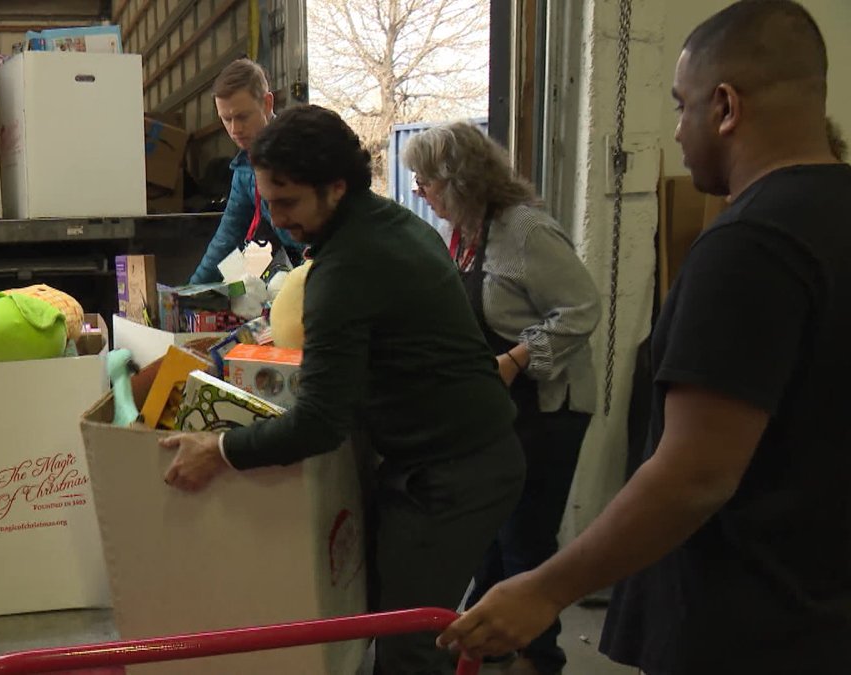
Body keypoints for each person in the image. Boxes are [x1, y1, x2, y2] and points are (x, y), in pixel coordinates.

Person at [438, 2, 851, 674]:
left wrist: (547, 587)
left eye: (681, 105)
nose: (678, 131)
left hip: (751, 623)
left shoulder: (749, 246)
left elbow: (695, 473)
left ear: (725, 106)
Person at [159, 104, 526, 674]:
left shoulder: (348, 267)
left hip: (454, 472)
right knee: (384, 612)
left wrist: (222, 449)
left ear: (335, 188)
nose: (279, 221)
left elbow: (318, 422)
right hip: (453, 453)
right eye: (269, 202)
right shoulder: (395, 222)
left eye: (289, 204)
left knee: (408, 644)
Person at [404, 121, 599, 675]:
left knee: (525, 536)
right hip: (503, 409)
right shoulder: (468, 233)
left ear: (459, 181)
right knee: (492, 530)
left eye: (426, 182)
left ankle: (540, 659)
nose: (420, 192)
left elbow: (582, 308)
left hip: (548, 407)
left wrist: (517, 359)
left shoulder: (526, 232)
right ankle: (481, 643)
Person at [188, 59, 305, 284]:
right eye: (226, 119)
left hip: (322, 269)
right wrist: (187, 294)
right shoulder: (243, 170)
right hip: (287, 268)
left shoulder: (300, 153)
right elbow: (227, 237)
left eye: (242, 117)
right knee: (240, 291)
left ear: (267, 103)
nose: (234, 129)